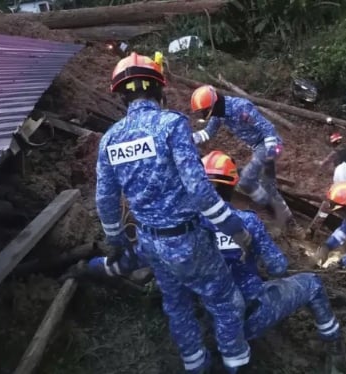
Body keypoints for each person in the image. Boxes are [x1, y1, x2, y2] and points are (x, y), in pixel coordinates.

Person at [96, 52, 253, 374]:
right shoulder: (171, 124)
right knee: (224, 302)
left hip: (151, 243)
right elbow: (198, 189)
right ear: (159, 89)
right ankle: (237, 364)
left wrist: (115, 239)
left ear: (122, 95)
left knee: (177, 305)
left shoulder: (110, 139)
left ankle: (195, 367)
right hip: (188, 241)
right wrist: (233, 226)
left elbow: (105, 197)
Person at [201, 150, 346, 372]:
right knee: (313, 283)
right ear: (232, 186)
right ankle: (337, 350)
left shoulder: (186, 226)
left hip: (204, 317)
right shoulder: (247, 221)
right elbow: (278, 268)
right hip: (248, 316)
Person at [189, 85, 304, 238]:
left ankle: (278, 215)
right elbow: (207, 133)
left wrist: (269, 156)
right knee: (265, 186)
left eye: (204, 111)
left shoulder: (240, 107)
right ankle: (283, 218)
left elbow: (268, 128)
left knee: (247, 179)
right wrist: (186, 139)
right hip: (258, 148)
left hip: (271, 144)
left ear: (213, 105)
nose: (204, 114)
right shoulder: (219, 115)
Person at [306, 118, 346, 238]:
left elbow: (324, 165)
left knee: (327, 206)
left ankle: (312, 230)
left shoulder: (335, 154)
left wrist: (317, 166)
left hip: (342, 182)